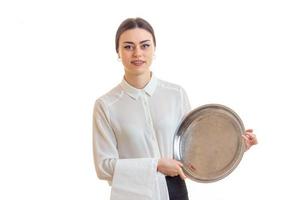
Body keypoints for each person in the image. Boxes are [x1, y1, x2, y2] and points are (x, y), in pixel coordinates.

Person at [93, 17, 258, 200]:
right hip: (132, 194)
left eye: (145, 45)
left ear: (154, 49)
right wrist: (155, 165)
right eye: (128, 46)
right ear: (118, 51)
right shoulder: (106, 105)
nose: (137, 53)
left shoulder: (175, 94)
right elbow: (103, 166)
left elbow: (192, 152)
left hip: (175, 191)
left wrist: (234, 145)